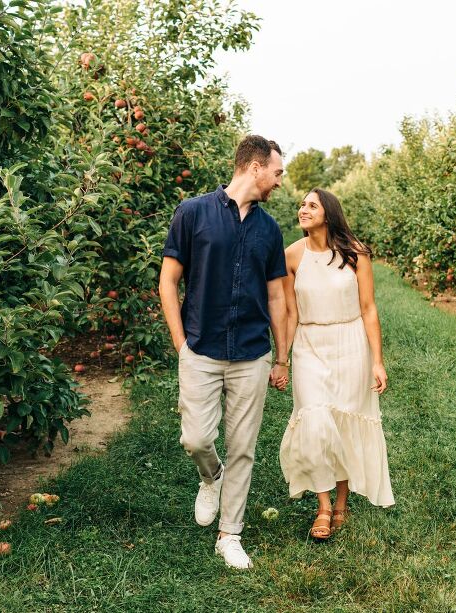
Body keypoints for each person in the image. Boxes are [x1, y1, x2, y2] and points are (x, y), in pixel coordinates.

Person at [158, 135, 289, 569]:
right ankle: (210, 476)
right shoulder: (192, 212)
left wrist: (282, 356)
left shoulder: (270, 230)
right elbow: (168, 281)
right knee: (196, 438)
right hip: (202, 347)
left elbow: (275, 298)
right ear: (255, 167)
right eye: (277, 172)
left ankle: (229, 534)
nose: (279, 182)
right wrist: (182, 345)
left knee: (243, 446)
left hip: (251, 352)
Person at [279, 187, 394, 540]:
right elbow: (290, 312)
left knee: (343, 423)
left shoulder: (355, 253)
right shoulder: (291, 257)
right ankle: (323, 506)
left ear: (328, 213)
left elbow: (368, 308)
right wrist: (281, 359)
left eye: (311, 205)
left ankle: (341, 504)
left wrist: (378, 361)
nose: (303, 209)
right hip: (310, 345)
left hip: (350, 343)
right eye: (301, 204)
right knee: (315, 421)